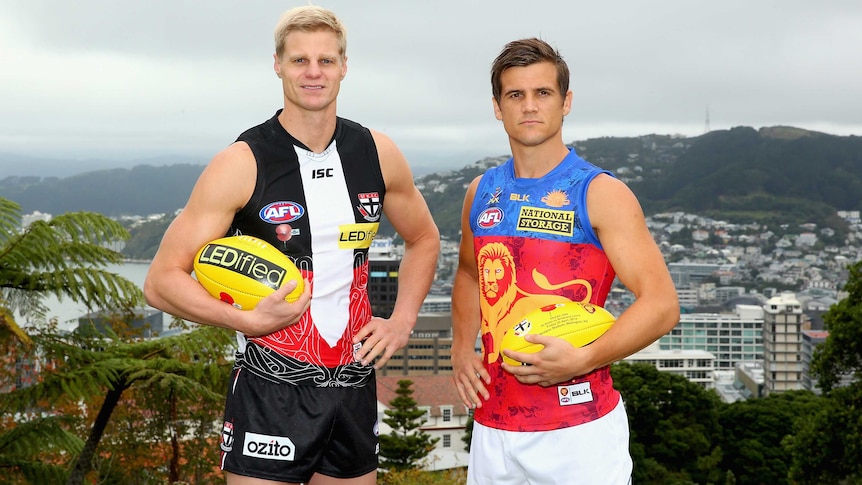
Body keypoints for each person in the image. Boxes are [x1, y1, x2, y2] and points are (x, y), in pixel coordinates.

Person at [143, 6, 440, 485]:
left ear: (345, 66)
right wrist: (243, 320)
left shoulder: (376, 153)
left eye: (326, 60)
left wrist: (403, 320)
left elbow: (424, 237)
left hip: (354, 382)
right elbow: (160, 282)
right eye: (300, 60)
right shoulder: (241, 162)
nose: (314, 72)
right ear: (277, 64)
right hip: (271, 384)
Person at [451, 38, 679, 485]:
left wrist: (584, 359)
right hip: (493, 425)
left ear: (566, 102)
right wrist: (461, 348)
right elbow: (467, 274)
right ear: (497, 106)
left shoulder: (599, 192)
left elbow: (661, 304)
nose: (529, 106)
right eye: (515, 95)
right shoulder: (481, 191)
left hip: (579, 428)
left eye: (543, 93)